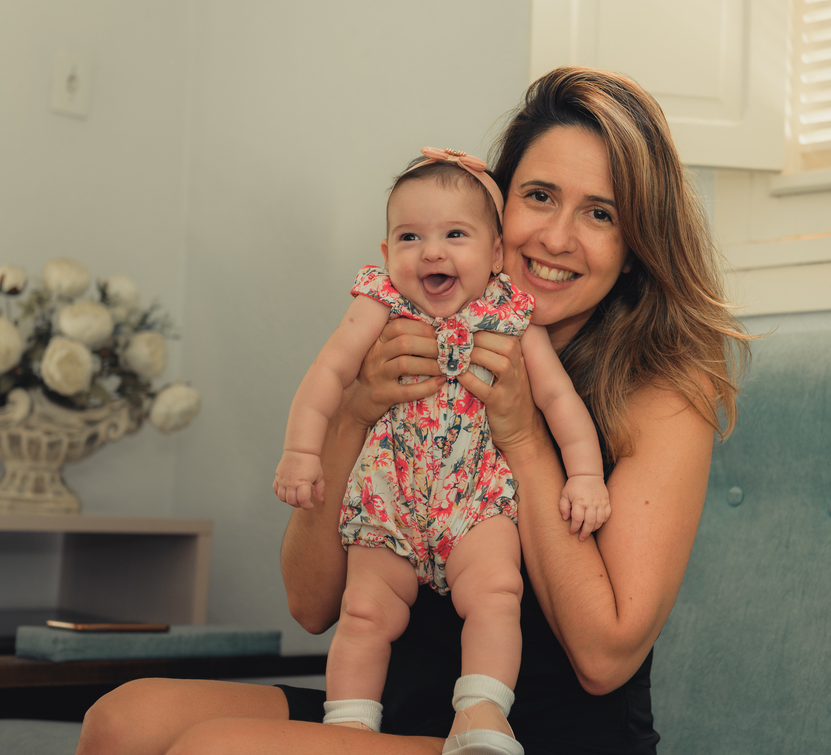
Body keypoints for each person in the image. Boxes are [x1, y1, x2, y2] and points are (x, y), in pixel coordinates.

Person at [74, 66, 749, 755]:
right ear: (496, 213)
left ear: (634, 249)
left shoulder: (666, 392)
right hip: (391, 713)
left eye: (600, 214)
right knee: (123, 720)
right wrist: (355, 411)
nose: (556, 237)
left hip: (537, 737)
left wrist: (522, 433)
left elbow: (604, 658)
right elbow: (310, 603)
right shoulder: (415, 326)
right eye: (539, 196)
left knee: (216, 751)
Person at [271, 145, 612, 753]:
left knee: (495, 595)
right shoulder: (378, 305)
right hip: (390, 495)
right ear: (385, 254)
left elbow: (559, 400)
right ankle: (349, 723)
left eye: (455, 234)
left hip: (473, 499)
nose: (431, 252)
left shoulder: (509, 315)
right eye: (410, 237)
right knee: (364, 611)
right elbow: (327, 374)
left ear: (496, 254)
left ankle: (481, 713)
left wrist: (584, 475)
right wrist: (302, 451)